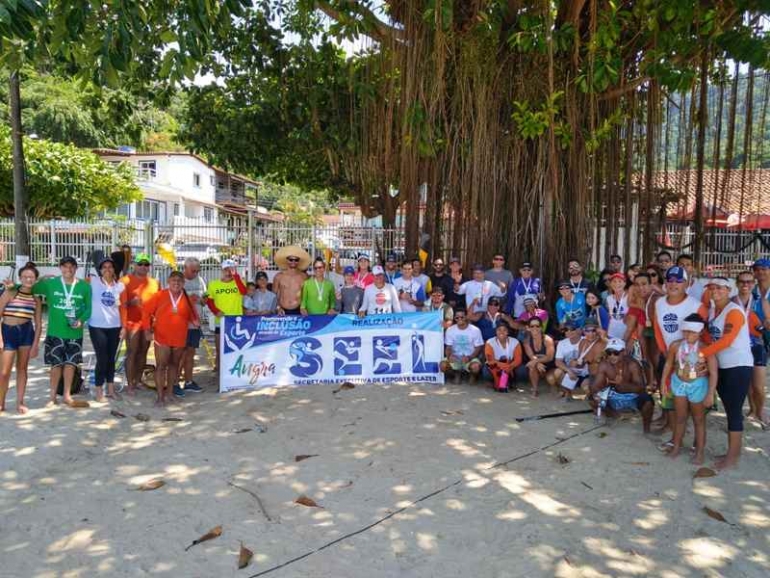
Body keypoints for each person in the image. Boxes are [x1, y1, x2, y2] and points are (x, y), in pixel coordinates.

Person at [700, 277, 754, 470]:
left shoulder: (734, 311)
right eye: (712, 288)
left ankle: (732, 458)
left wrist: (700, 354)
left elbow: (727, 340)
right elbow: (711, 337)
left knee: (733, 412)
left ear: (729, 290)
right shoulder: (715, 311)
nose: (715, 291)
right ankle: (733, 452)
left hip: (738, 366)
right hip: (723, 366)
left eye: (720, 288)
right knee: (730, 409)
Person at [652, 265, 708, 441]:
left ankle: (694, 441)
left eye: (678, 280)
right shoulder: (659, 303)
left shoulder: (696, 305)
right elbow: (657, 330)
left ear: (686, 283)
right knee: (670, 395)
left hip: (692, 362)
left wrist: (702, 361)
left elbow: (705, 336)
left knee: (694, 403)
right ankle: (672, 431)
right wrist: (664, 352)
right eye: (670, 280)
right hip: (669, 357)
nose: (673, 283)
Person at [660, 313, 718, 464]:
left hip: (697, 385)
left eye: (692, 331)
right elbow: (668, 364)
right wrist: (662, 382)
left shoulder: (706, 349)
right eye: (685, 330)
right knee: (680, 418)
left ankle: (699, 452)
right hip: (679, 383)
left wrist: (710, 393)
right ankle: (677, 446)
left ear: (700, 331)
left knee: (699, 420)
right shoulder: (676, 346)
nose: (688, 334)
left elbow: (713, 372)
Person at [34, 256, 92, 406]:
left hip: (74, 333)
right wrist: (40, 278)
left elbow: (89, 309)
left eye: (71, 266)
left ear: (76, 268)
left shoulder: (84, 286)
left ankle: (67, 396)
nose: (68, 269)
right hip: (55, 333)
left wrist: (81, 320)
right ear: (60, 268)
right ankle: (52, 397)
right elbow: (29, 286)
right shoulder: (51, 284)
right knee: (55, 365)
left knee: (70, 365)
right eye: (65, 266)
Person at [143, 271, 199, 407]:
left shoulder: (187, 298)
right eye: (173, 280)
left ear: (183, 283)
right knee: (161, 366)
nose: (176, 283)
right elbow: (146, 312)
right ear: (168, 281)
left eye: (179, 281)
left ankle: (170, 394)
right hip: (162, 336)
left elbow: (192, 316)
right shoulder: (159, 295)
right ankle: (160, 397)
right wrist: (147, 330)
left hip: (180, 337)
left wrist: (195, 321)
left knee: (174, 365)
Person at [0, 263, 42, 413]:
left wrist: (36, 344)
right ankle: (1, 402)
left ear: (36, 279)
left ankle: (20, 402)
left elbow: (38, 324)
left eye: (31, 277)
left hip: (26, 333)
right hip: (8, 332)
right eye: (25, 277)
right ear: (20, 278)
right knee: (4, 372)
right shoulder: (10, 293)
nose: (28, 279)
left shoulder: (36, 299)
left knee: (22, 369)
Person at [588, 338, 655, 431]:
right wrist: (596, 393)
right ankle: (614, 416)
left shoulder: (633, 364)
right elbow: (596, 386)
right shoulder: (604, 365)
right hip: (614, 395)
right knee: (592, 398)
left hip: (632, 396)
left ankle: (647, 430)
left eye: (616, 353)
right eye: (609, 352)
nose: (612, 356)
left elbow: (641, 387)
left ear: (623, 352)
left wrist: (623, 385)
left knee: (648, 401)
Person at [119, 253, 159, 396]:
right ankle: (130, 385)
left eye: (146, 264)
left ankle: (138, 380)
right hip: (131, 322)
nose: (143, 267)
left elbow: (158, 304)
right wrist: (131, 303)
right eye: (140, 264)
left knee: (143, 351)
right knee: (132, 352)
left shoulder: (154, 283)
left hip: (147, 323)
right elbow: (119, 303)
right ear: (134, 265)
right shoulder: (125, 281)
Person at [87, 257, 125, 402]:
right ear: (100, 270)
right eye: (104, 267)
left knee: (111, 359)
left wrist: (124, 327)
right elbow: (74, 283)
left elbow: (122, 308)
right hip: (97, 326)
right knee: (102, 358)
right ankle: (98, 390)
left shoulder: (119, 286)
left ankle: (110, 389)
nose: (107, 269)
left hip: (114, 326)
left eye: (110, 267)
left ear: (114, 269)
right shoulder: (93, 282)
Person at [735, 271, 768, 426]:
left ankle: (759, 411)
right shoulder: (731, 302)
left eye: (749, 282)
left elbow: (768, 323)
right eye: (742, 281)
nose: (745, 285)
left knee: (759, 387)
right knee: (746, 384)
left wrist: (764, 326)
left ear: (753, 284)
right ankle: (752, 410)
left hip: (757, 346)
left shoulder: (761, 302)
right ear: (737, 283)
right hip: (738, 348)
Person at [205, 260, 247, 373]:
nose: (228, 272)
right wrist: (215, 311)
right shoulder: (214, 284)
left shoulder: (239, 282)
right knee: (220, 349)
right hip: (221, 321)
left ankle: (234, 371)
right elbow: (209, 301)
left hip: (236, 321)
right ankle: (219, 373)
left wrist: (236, 276)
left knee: (236, 348)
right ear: (221, 270)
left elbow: (243, 292)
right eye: (226, 269)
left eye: (231, 269)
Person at [180, 257, 207, 396]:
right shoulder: (178, 280)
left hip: (195, 324)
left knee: (190, 354)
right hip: (181, 324)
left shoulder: (200, 280)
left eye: (197, 270)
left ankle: (189, 381)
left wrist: (201, 300)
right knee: (180, 354)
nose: (195, 273)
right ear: (185, 267)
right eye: (193, 271)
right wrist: (188, 299)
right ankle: (174, 383)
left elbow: (205, 301)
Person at [442, 310, 484, 384]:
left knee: (475, 367)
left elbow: (478, 347)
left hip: (470, 357)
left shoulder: (475, 330)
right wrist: (449, 356)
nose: (459, 319)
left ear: (466, 317)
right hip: (455, 357)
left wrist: (470, 357)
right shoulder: (450, 330)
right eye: (457, 317)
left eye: (462, 317)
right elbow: (448, 347)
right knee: (443, 366)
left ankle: (472, 375)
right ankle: (457, 373)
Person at [518, 318, 556, 397]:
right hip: (538, 362)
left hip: (550, 364)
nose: (535, 328)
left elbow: (550, 357)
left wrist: (535, 361)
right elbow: (531, 356)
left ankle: (554, 386)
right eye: (532, 326)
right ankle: (535, 389)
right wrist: (537, 362)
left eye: (537, 326)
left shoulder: (547, 340)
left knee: (551, 379)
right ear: (528, 328)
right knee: (532, 366)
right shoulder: (526, 340)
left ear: (541, 327)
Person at [549, 323, 584, 400]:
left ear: (578, 329)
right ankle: (567, 393)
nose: (569, 331)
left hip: (584, 371)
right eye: (566, 330)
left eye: (572, 329)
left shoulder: (585, 340)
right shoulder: (562, 343)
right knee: (557, 372)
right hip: (570, 370)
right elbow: (558, 362)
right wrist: (569, 371)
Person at [273, 246, 311, 315]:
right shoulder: (278, 276)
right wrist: (278, 308)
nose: (293, 262)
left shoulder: (304, 276)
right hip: (282, 311)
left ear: (299, 261)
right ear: (286, 260)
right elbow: (274, 295)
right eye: (291, 259)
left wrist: (304, 307)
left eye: (296, 260)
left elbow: (307, 294)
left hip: (299, 310)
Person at [484, 323, 522, 392]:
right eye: (499, 330)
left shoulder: (515, 342)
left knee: (521, 371)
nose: (501, 332)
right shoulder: (490, 342)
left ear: (508, 332)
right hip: (494, 366)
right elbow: (490, 360)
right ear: (496, 332)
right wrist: (505, 366)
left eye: (504, 330)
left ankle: (505, 383)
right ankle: (500, 383)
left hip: (511, 365)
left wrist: (510, 366)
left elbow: (518, 359)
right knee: (486, 372)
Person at [605, 272, 629, 339]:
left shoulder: (629, 297)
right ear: (610, 284)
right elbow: (610, 317)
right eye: (614, 281)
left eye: (620, 281)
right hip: (611, 333)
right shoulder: (608, 298)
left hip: (625, 334)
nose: (617, 284)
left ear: (625, 283)